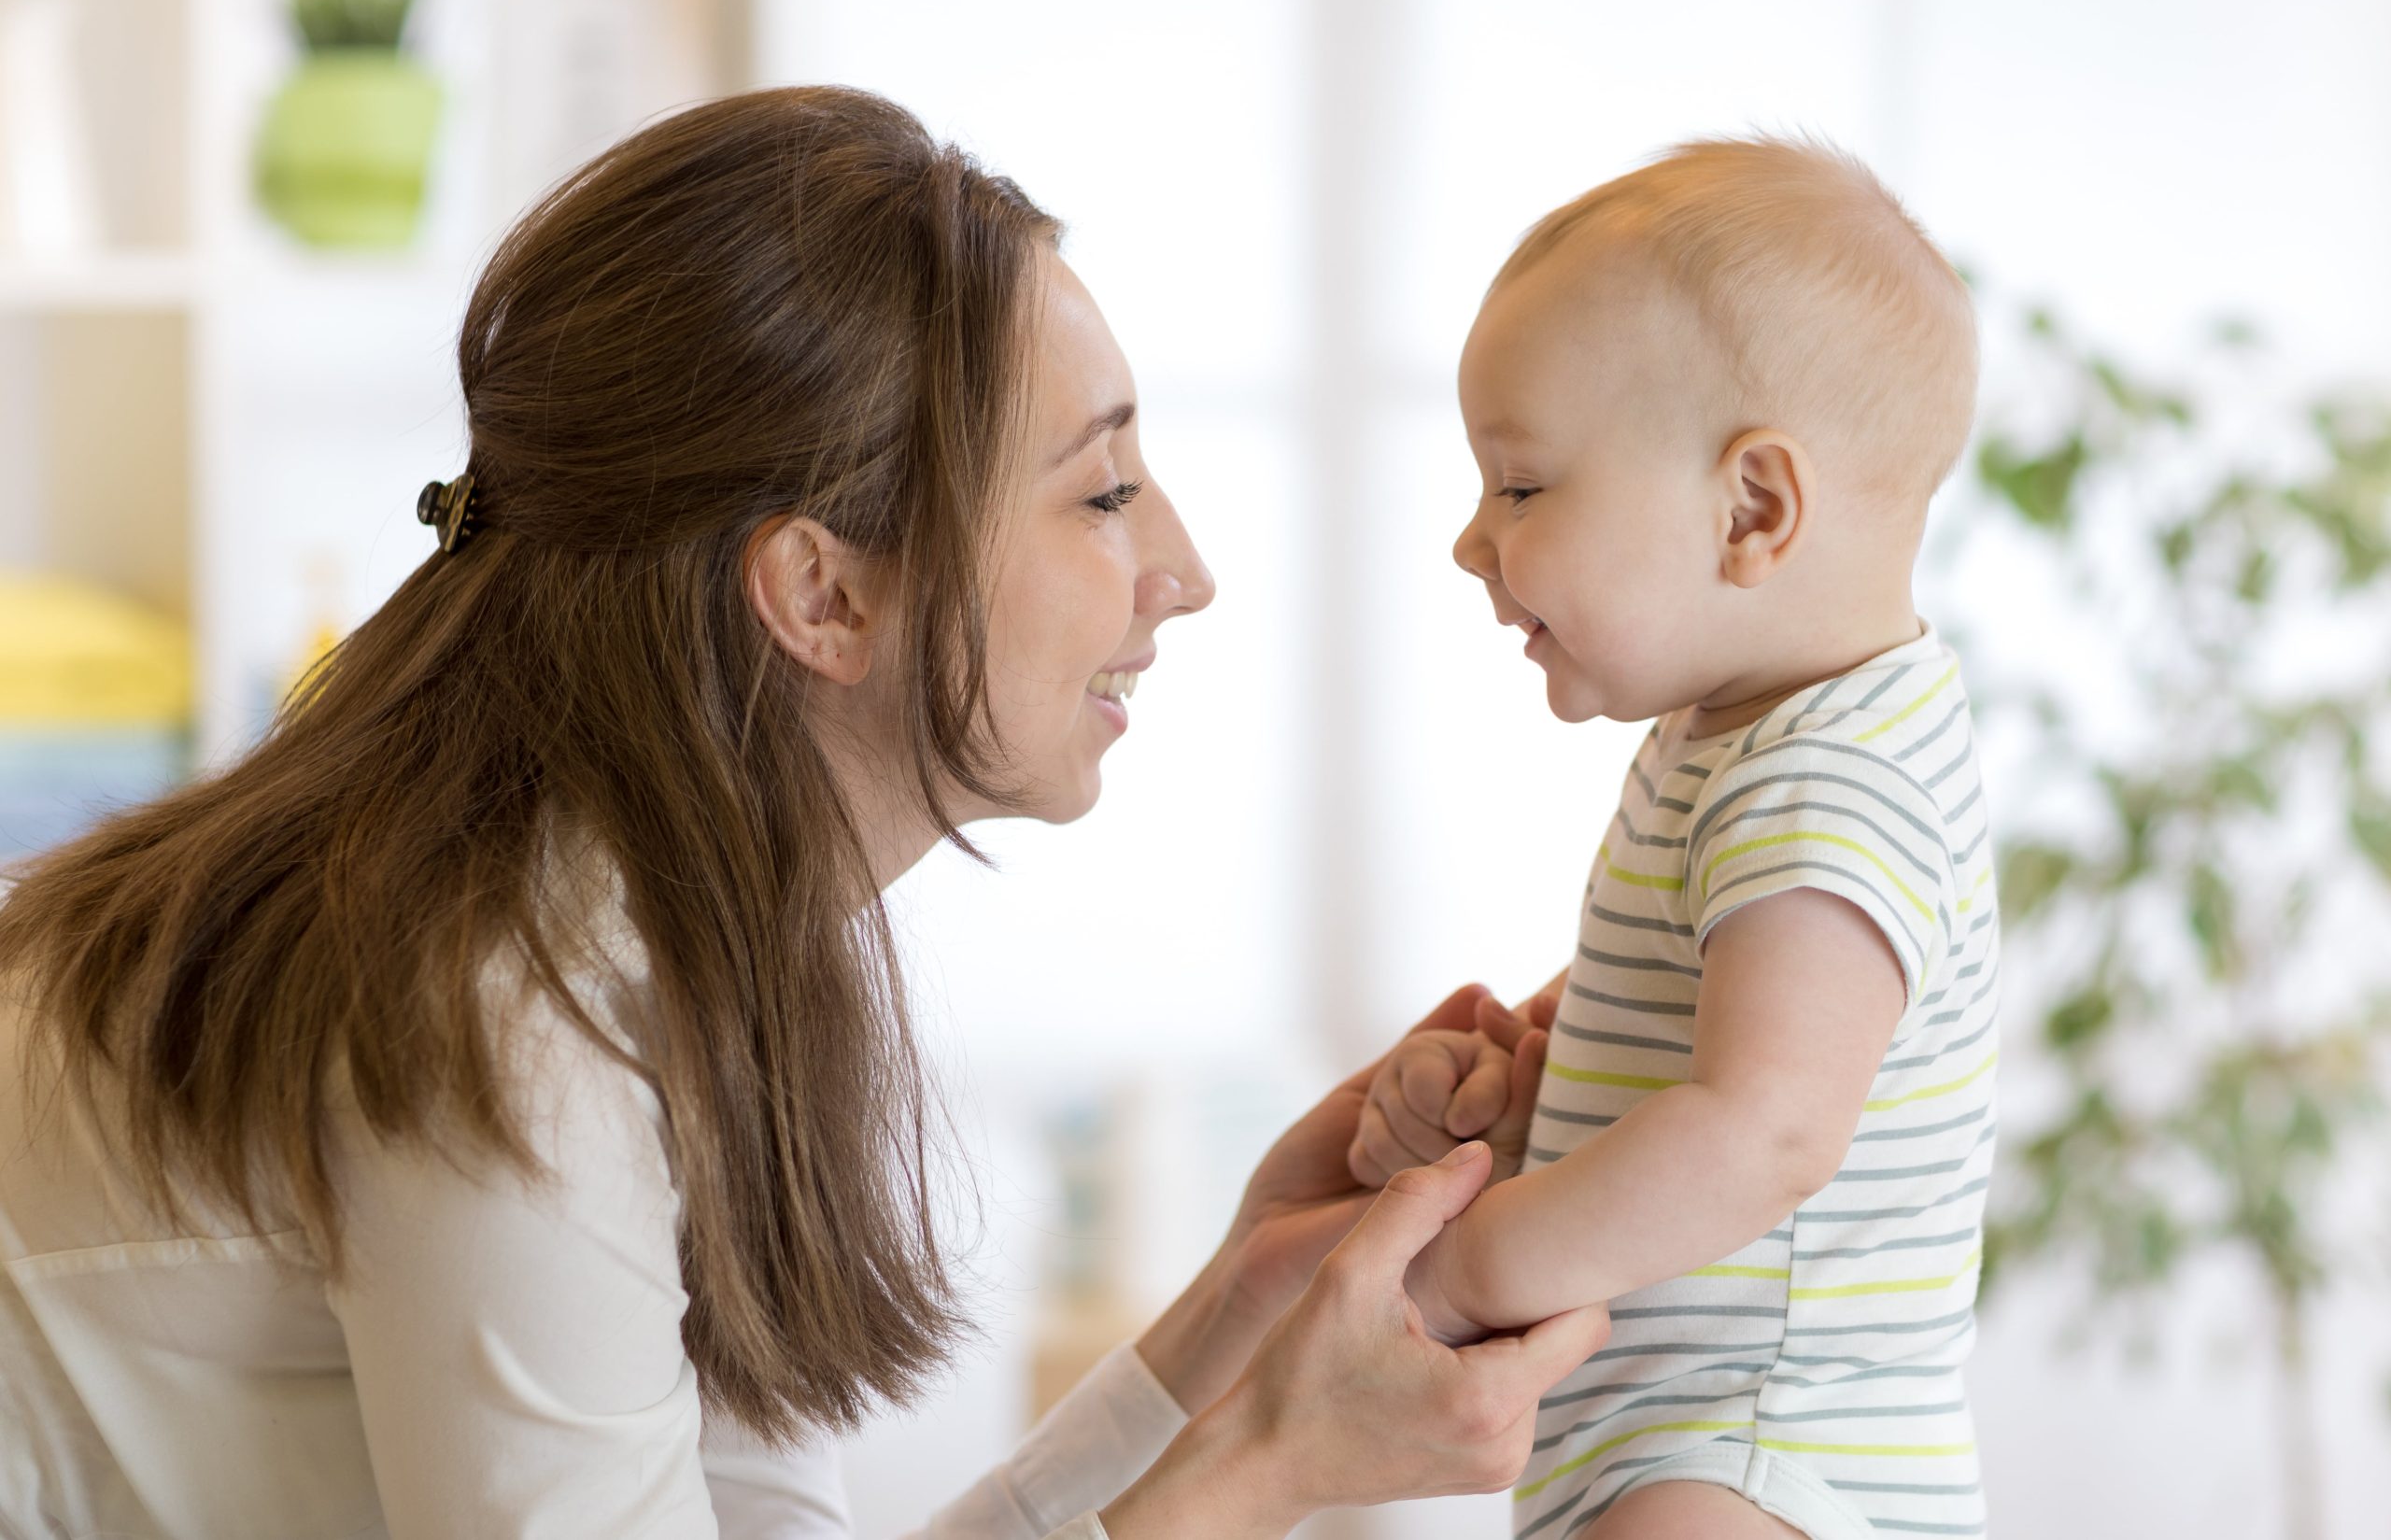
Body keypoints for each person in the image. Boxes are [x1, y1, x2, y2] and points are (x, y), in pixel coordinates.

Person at [0, 86, 1608, 1540]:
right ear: (822, 592)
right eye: (1101, 492)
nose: (1182, 571)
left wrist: (1241, 1311)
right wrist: (1271, 1469)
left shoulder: (674, 946)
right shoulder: (512, 1011)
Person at [1345, 137, 1997, 1540]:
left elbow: (1763, 1131)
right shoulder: (1752, 742)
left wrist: (1466, 1274)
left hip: (1754, 1454)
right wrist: (1536, 1104)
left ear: (1752, 509)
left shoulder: (1828, 780)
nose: (1472, 540)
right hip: (1680, 1445)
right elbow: (1701, 1069)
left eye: (1519, 488)